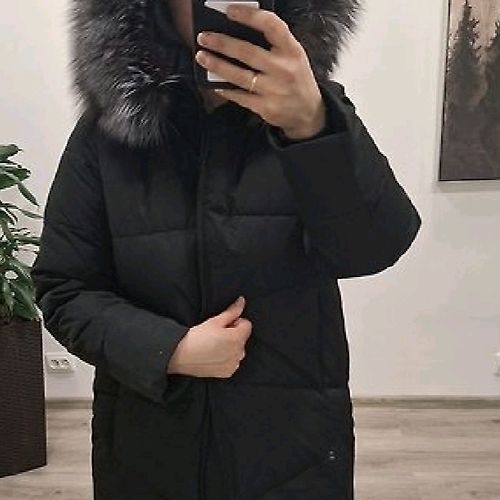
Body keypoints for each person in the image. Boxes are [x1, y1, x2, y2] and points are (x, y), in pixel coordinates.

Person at [31, 0, 422, 498]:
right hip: (148, 452)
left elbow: (373, 249)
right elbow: (64, 289)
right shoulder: (108, 131)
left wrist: (312, 127)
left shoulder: (315, 114)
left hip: (293, 455)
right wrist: (166, 349)